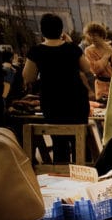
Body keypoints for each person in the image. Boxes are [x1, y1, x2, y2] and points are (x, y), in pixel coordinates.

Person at [23, 13, 95, 164]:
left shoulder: (36, 51)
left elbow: (28, 77)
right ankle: (83, 174)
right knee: (80, 140)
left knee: (59, 141)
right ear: (61, 30)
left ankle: (61, 176)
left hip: (52, 102)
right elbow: (87, 67)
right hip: (76, 100)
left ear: (42, 31)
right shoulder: (72, 49)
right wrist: (69, 44)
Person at [82, 22, 112, 103]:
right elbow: (95, 69)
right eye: (90, 35)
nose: (92, 38)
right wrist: (106, 56)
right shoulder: (89, 50)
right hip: (102, 87)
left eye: (95, 35)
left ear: (102, 35)